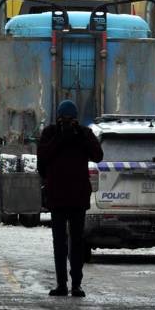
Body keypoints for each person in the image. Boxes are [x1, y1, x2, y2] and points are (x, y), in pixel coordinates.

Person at [36, 99, 103, 298]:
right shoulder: (51, 134)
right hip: (60, 197)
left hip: (74, 198)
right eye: (64, 119)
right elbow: (42, 160)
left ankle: (74, 284)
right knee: (63, 243)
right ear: (58, 119)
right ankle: (64, 284)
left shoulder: (82, 134)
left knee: (74, 242)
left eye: (69, 119)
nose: (66, 122)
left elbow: (98, 155)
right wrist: (61, 137)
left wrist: (79, 134)